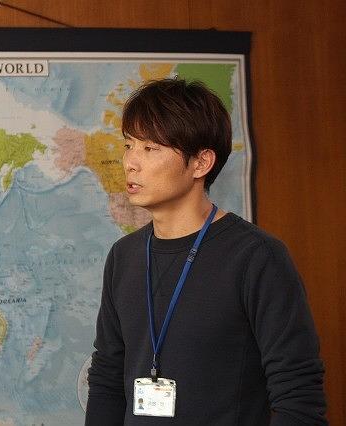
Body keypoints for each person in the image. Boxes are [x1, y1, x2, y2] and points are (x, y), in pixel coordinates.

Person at [85, 78, 327, 425]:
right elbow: (107, 379)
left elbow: (299, 398)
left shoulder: (257, 258)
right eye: (128, 145)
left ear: (201, 163)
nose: (130, 163)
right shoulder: (123, 256)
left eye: (150, 148)